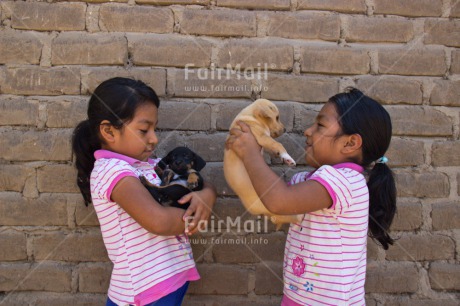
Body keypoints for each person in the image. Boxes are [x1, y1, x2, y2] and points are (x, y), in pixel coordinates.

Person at [226, 88, 396, 305]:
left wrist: (250, 153)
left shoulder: (347, 181)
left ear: (350, 143)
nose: (308, 131)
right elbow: (270, 198)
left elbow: (278, 200)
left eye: (320, 125)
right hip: (298, 298)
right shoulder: (309, 181)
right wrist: (247, 154)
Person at [72, 77, 217, 306]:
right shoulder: (112, 170)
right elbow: (158, 221)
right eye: (144, 130)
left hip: (164, 283)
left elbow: (196, 182)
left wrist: (207, 195)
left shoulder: (148, 164)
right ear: (109, 131)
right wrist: (198, 215)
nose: (154, 138)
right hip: (141, 294)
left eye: (154, 128)